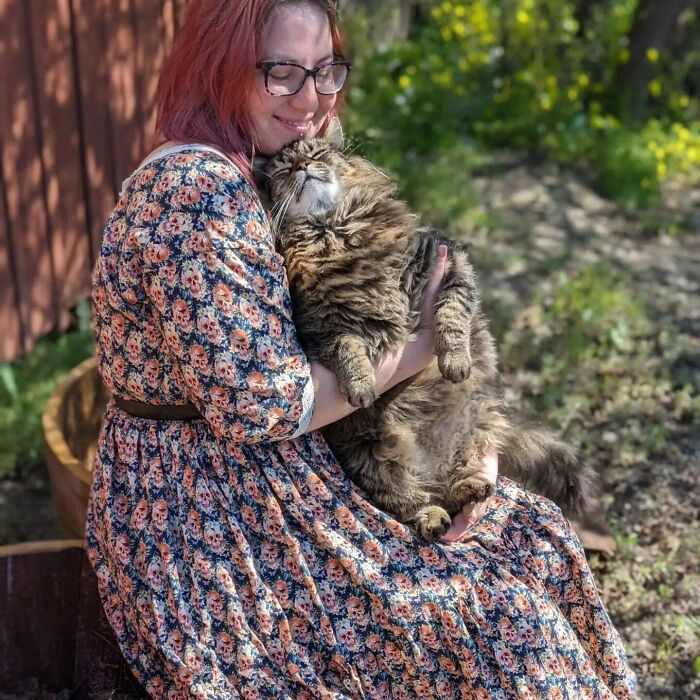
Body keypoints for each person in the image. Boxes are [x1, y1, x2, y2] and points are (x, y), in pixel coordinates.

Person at [85, 1, 637, 697]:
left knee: (531, 534)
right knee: (506, 627)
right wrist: (420, 346)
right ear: (218, 67)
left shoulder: (262, 164)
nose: (312, 99)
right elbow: (260, 406)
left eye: (325, 72)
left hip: (284, 476)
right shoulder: (195, 194)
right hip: (210, 522)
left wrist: (457, 435)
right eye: (282, 72)